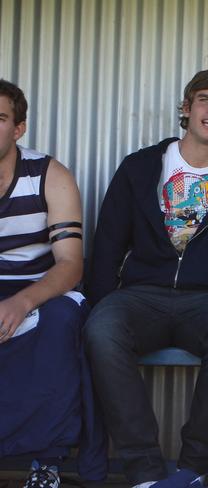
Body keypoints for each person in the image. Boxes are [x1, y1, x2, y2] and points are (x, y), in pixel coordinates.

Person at [83, 69, 208, 488]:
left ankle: (191, 470)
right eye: (204, 99)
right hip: (141, 293)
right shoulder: (141, 166)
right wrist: (100, 300)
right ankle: (146, 473)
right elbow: (109, 240)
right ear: (186, 109)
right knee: (101, 329)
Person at [0, 79, 106, 487]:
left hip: (40, 287)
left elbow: (70, 264)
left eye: (2, 117)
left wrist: (22, 302)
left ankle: (46, 465)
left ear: (19, 128)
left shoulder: (49, 175)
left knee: (62, 321)